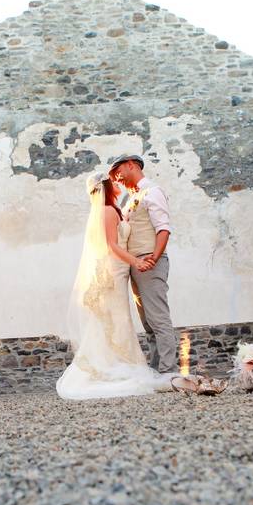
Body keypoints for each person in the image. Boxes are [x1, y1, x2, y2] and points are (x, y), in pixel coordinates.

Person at [56, 172, 171, 399]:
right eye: (113, 183)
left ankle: (119, 361)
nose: (118, 184)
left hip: (120, 269)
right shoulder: (108, 211)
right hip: (115, 269)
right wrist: (135, 260)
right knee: (116, 319)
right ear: (108, 187)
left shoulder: (114, 209)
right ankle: (115, 364)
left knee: (118, 318)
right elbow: (111, 244)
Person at [109, 155, 178, 376]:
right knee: (147, 321)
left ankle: (169, 370)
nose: (116, 178)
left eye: (117, 172)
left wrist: (154, 258)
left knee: (158, 318)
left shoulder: (153, 192)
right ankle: (157, 369)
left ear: (131, 165)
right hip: (136, 264)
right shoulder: (129, 200)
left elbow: (163, 228)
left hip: (149, 261)